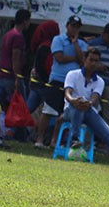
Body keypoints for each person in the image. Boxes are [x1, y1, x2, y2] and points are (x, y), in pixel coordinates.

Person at [36, 16, 87, 148]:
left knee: (64, 114)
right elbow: (59, 58)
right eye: (72, 26)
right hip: (57, 79)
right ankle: (39, 139)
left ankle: (55, 141)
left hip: (72, 83)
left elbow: (83, 61)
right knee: (48, 110)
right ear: (67, 25)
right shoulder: (57, 39)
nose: (74, 29)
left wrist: (75, 44)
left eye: (77, 27)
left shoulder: (81, 44)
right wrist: (75, 58)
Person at [0, 8, 31, 139]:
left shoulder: (8, 34)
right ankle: (15, 133)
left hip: (1, 75)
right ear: (25, 22)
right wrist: (17, 77)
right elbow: (16, 58)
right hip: (11, 76)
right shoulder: (18, 37)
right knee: (20, 106)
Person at [27, 19, 60, 146]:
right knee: (48, 112)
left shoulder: (40, 45)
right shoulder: (48, 47)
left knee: (29, 109)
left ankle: (12, 131)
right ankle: (43, 138)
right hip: (44, 85)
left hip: (36, 83)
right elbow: (47, 66)